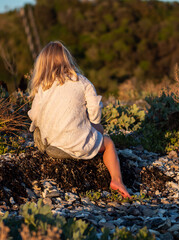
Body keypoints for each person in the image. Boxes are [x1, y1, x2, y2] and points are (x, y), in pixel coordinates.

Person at [27, 41, 131, 198]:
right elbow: (95, 109)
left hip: (52, 144)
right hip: (79, 144)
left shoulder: (42, 86)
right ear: (67, 60)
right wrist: (95, 125)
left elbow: (34, 115)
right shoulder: (81, 81)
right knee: (108, 143)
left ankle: (49, 143)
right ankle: (117, 180)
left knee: (38, 129)